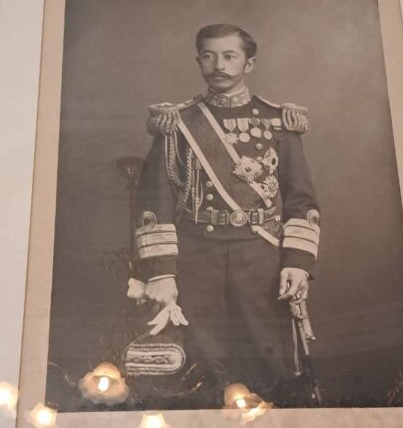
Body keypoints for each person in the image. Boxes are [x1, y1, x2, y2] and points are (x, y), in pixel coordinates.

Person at [132, 23, 321, 405]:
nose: (218, 65)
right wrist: (162, 271)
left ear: (249, 63)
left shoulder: (277, 121)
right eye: (209, 56)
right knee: (199, 363)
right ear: (198, 60)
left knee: (267, 361)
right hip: (196, 255)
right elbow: (155, 202)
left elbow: (301, 200)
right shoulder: (177, 123)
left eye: (229, 56)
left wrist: (297, 262)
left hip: (260, 255)